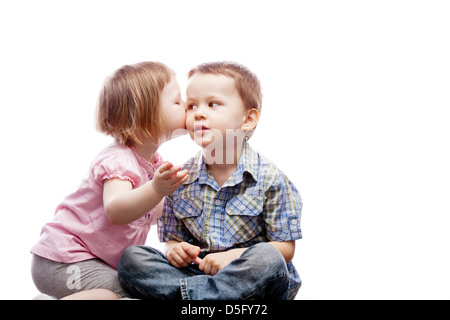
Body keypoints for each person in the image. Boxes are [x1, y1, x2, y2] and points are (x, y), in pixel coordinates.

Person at [118, 61, 303, 300]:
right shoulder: (179, 178)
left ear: (247, 119)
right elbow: (173, 240)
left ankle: (192, 299)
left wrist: (232, 257)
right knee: (133, 259)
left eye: (213, 104)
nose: (198, 113)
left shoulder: (271, 179)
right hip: (198, 271)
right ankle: (210, 299)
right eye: (191, 105)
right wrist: (176, 250)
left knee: (268, 259)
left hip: (247, 277)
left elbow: (285, 249)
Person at [30, 61, 188, 300]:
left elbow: (157, 213)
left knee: (139, 288)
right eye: (178, 102)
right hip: (63, 260)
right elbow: (117, 210)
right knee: (125, 292)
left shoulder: (154, 164)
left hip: (88, 262)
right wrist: (156, 188)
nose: (187, 107)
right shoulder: (119, 160)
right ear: (146, 115)